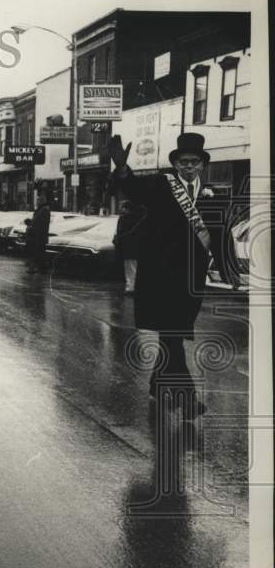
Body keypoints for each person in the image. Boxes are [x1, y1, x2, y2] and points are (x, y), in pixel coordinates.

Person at [109, 132, 232, 420]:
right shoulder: (162, 185)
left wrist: (227, 270)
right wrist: (123, 169)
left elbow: (218, 236)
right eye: (183, 162)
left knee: (172, 335)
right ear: (175, 163)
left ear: (202, 164)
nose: (188, 167)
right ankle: (187, 400)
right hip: (161, 274)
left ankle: (157, 384)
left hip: (190, 279)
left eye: (194, 162)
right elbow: (134, 190)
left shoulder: (210, 194)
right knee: (172, 336)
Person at [113, 200, 146, 294]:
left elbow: (121, 232)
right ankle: (131, 286)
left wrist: (118, 240)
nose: (120, 209)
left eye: (122, 207)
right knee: (132, 267)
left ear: (126, 208)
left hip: (129, 248)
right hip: (134, 247)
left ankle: (130, 288)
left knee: (130, 268)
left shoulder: (125, 219)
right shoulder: (138, 218)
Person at [25, 192, 51, 273]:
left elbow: (40, 223)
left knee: (37, 252)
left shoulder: (44, 210)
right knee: (38, 252)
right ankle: (40, 267)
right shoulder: (41, 209)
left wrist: (32, 228)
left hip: (38, 235)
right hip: (37, 235)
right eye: (37, 200)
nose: (37, 202)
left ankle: (35, 267)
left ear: (42, 201)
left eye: (38, 200)